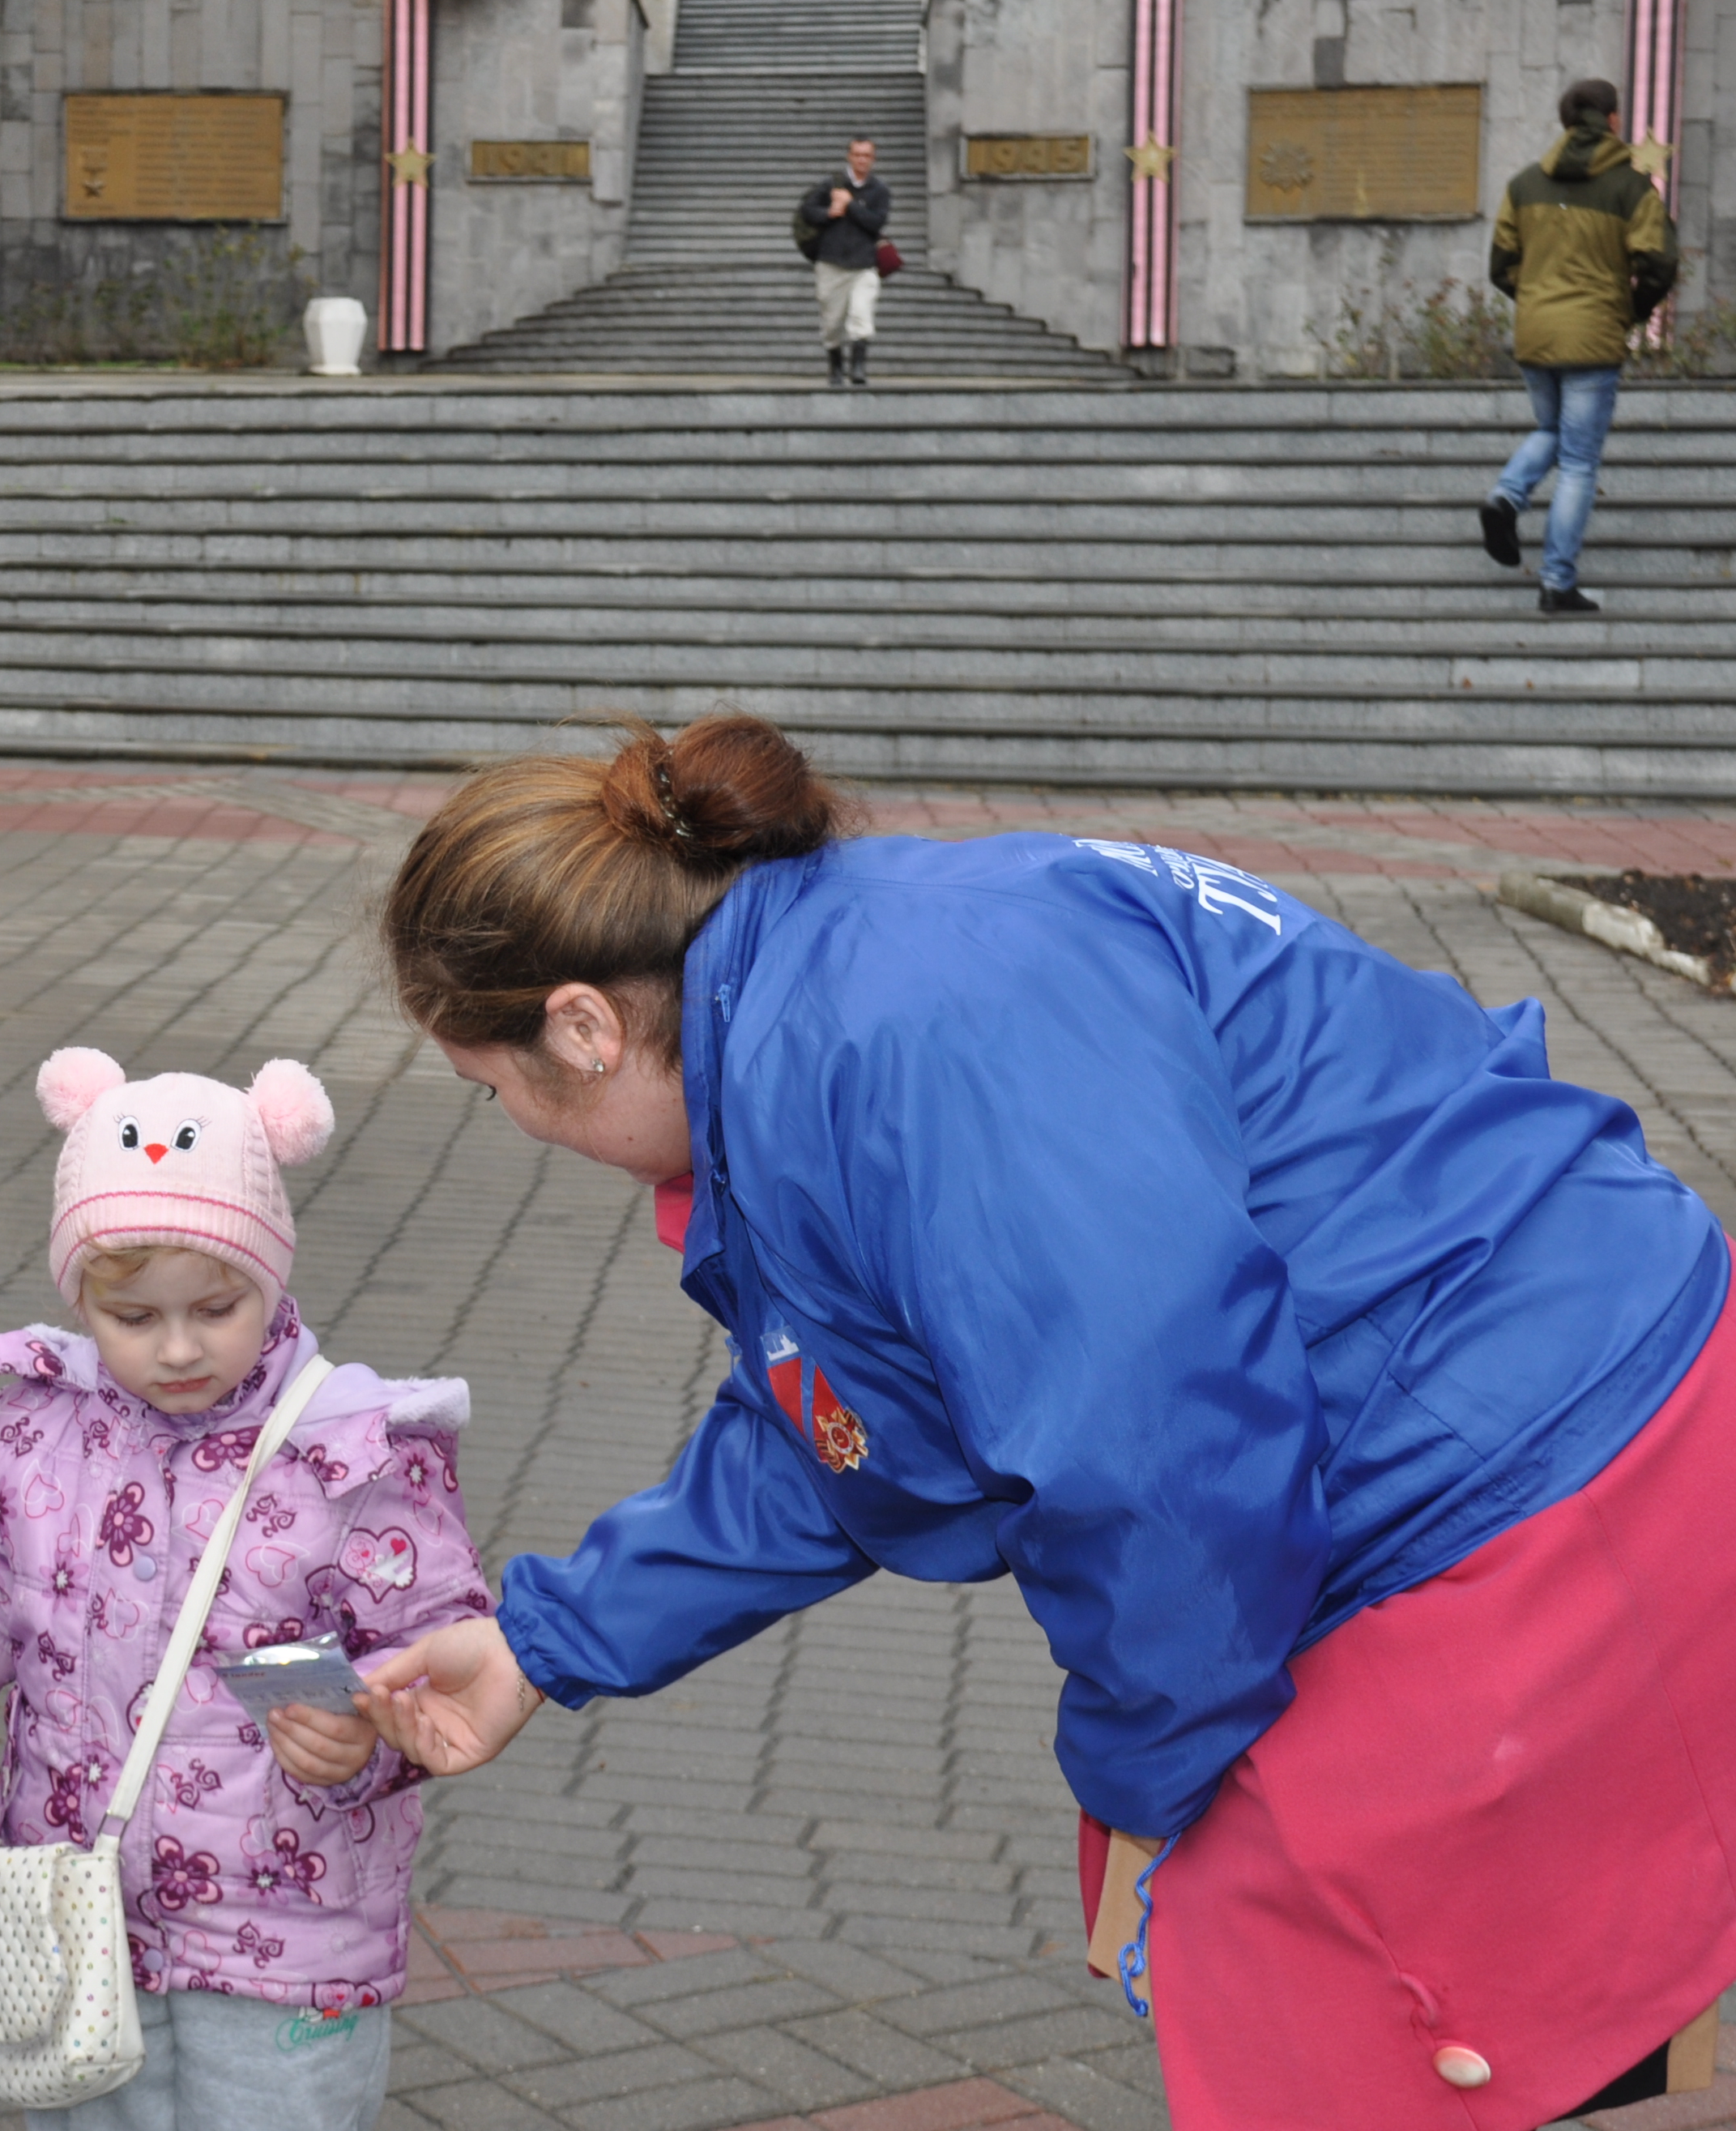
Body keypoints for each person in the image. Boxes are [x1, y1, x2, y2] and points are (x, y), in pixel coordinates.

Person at [351, 713, 1736, 2129]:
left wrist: (1144, 1780)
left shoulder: (891, 1030)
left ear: (582, 1025)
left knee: (1335, 2009)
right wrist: (541, 1642)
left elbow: (1153, 1449)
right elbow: (837, 1421)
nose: (513, 1122)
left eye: (493, 1088)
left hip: (1519, 1444)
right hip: (1481, 1414)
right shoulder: (811, 989)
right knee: (1392, 2001)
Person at [0, 1048, 488, 2131]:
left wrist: (370, 1742)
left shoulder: (347, 1453)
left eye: (217, 1307)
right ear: (80, 1294)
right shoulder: (29, 1433)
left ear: (275, 1275)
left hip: (286, 1943)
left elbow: (447, 1659)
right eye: (131, 1316)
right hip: (85, 1927)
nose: (175, 1349)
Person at [1482, 76, 1676, 617]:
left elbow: (1501, 265)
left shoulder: (1524, 185)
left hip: (1538, 336)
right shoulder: (1632, 188)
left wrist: (1541, 299)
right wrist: (1631, 312)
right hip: (1593, 337)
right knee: (1579, 464)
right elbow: (1660, 263)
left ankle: (1505, 496)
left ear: (1566, 122)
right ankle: (1556, 583)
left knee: (1551, 429)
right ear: (1612, 120)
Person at [795, 135, 889, 386]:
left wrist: (850, 205)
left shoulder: (879, 190)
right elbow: (807, 211)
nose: (862, 160)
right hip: (832, 262)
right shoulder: (830, 184)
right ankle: (836, 366)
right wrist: (829, 212)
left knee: (862, 315)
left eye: (867, 155)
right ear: (849, 156)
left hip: (864, 265)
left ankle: (858, 367)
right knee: (832, 322)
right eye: (857, 155)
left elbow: (876, 222)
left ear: (873, 159)